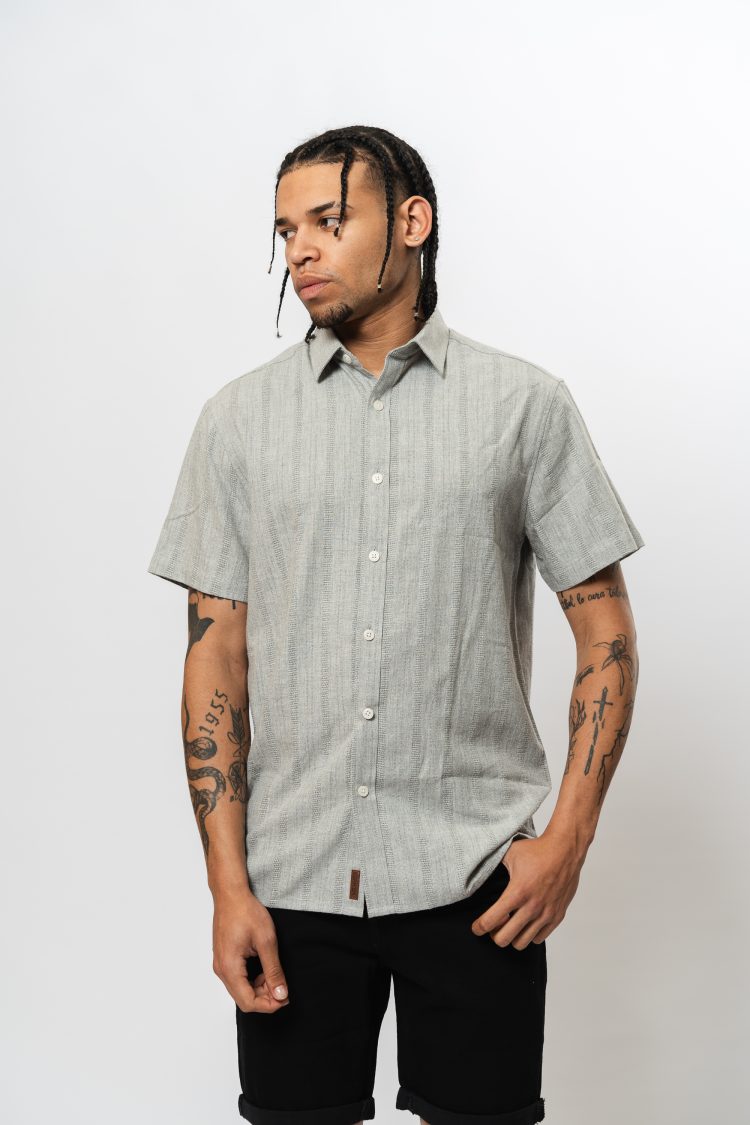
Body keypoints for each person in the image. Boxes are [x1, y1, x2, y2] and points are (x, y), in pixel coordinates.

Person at [147, 125, 644, 1125]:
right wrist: (228, 887)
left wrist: (568, 840)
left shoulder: (524, 407)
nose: (301, 251)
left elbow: (607, 637)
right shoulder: (237, 421)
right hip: (292, 882)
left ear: (411, 222)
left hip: (477, 881)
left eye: (329, 220)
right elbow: (216, 663)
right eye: (286, 231)